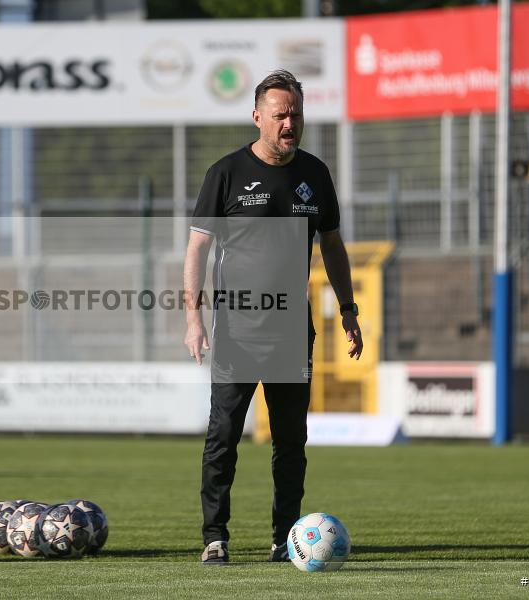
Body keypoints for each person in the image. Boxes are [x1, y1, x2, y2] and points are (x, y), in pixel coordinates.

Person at [183, 70, 363, 565]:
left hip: (289, 332)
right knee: (222, 437)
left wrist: (348, 310)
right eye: (280, 114)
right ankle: (214, 537)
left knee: (290, 443)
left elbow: (332, 245)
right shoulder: (225, 173)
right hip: (236, 330)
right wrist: (194, 319)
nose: (289, 123)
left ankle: (286, 538)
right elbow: (197, 248)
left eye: (296, 114)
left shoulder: (315, 174)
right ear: (257, 116)